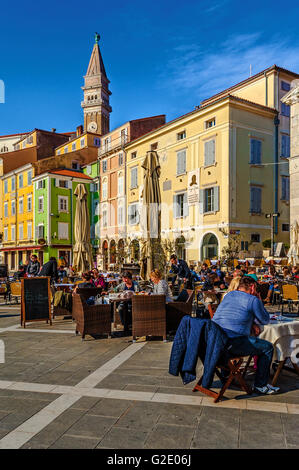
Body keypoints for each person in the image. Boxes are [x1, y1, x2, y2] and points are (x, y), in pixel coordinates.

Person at [212, 276, 279, 395]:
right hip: (232, 343)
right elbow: (265, 320)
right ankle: (260, 385)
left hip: (214, 341)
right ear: (252, 287)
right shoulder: (253, 300)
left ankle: (226, 375)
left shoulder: (229, 295)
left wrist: (251, 322)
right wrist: (259, 300)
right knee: (267, 347)